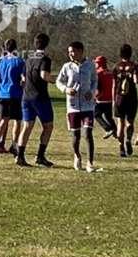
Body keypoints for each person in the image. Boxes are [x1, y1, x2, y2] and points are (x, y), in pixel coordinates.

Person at [57, 41, 99, 172]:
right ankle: (77, 156)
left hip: (88, 106)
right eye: (69, 52)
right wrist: (66, 89)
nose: (70, 54)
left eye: (73, 51)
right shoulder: (67, 66)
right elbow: (59, 81)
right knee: (76, 135)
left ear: (80, 51)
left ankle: (90, 163)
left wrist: (92, 92)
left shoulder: (90, 65)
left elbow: (95, 81)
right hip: (73, 106)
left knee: (88, 133)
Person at [15, 33, 55, 168]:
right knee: (48, 126)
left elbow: (23, 77)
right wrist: (55, 80)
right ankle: (40, 156)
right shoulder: (45, 59)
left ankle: (20, 156)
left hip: (26, 97)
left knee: (27, 126)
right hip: (40, 98)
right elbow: (44, 75)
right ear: (47, 44)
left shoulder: (28, 59)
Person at [0, 39, 26, 157]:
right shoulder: (19, 61)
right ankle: (14, 144)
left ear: (5, 48)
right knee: (17, 121)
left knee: (3, 119)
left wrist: (0, 77)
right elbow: (24, 78)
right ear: (15, 48)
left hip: (1, 94)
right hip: (15, 94)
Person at [113, 44, 138, 156]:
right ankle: (128, 139)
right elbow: (136, 80)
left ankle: (121, 147)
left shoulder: (116, 67)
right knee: (130, 122)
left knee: (120, 123)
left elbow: (114, 85)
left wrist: (113, 99)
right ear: (130, 53)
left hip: (119, 97)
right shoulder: (133, 66)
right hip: (131, 97)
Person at [93, 56, 116, 137]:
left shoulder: (98, 73)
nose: (95, 64)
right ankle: (116, 131)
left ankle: (108, 129)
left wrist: (95, 96)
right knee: (108, 117)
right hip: (110, 98)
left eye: (96, 63)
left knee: (96, 115)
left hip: (101, 99)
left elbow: (98, 87)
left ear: (99, 63)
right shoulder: (110, 73)